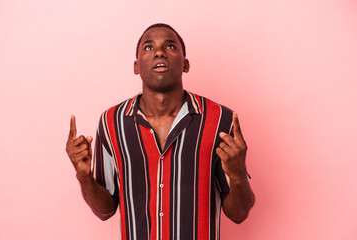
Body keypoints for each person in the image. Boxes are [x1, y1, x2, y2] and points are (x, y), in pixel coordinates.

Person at [66, 23, 254, 240]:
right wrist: (84, 176)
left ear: (185, 64)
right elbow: (105, 211)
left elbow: (239, 214)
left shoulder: (221, 120)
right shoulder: (111, 123)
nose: (159, 52)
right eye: (148, 47)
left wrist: (239, 175)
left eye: (170, 46)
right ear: (136, 66)